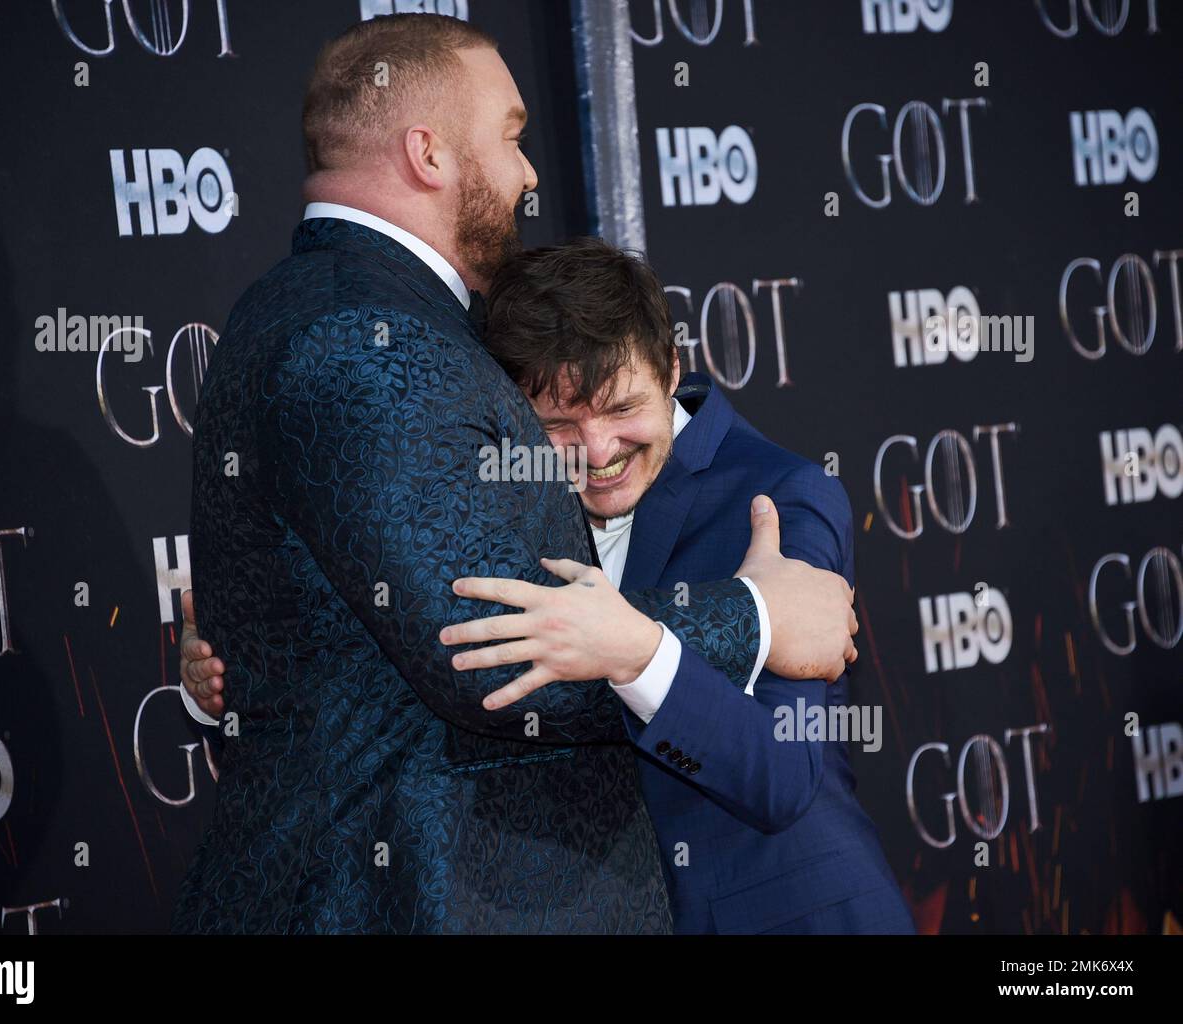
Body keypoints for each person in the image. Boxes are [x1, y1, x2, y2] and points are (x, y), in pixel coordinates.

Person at [173, 14, 856, 935]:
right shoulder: (373, 337)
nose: (531, 171)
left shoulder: (322, 313)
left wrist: (244, 666)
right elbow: (484, 645)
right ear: (429, 152)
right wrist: (760, 615)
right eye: (512, 134)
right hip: (412, 896)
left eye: (622, 409)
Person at [185, 238, 912, 934]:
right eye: (559, 424)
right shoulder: (505, 499)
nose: (598, 453)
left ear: (671, 367)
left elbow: (779, 777)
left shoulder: (780, 497)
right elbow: (444, 655)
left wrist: (638, 654)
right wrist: (247, 664)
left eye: (624, 408)